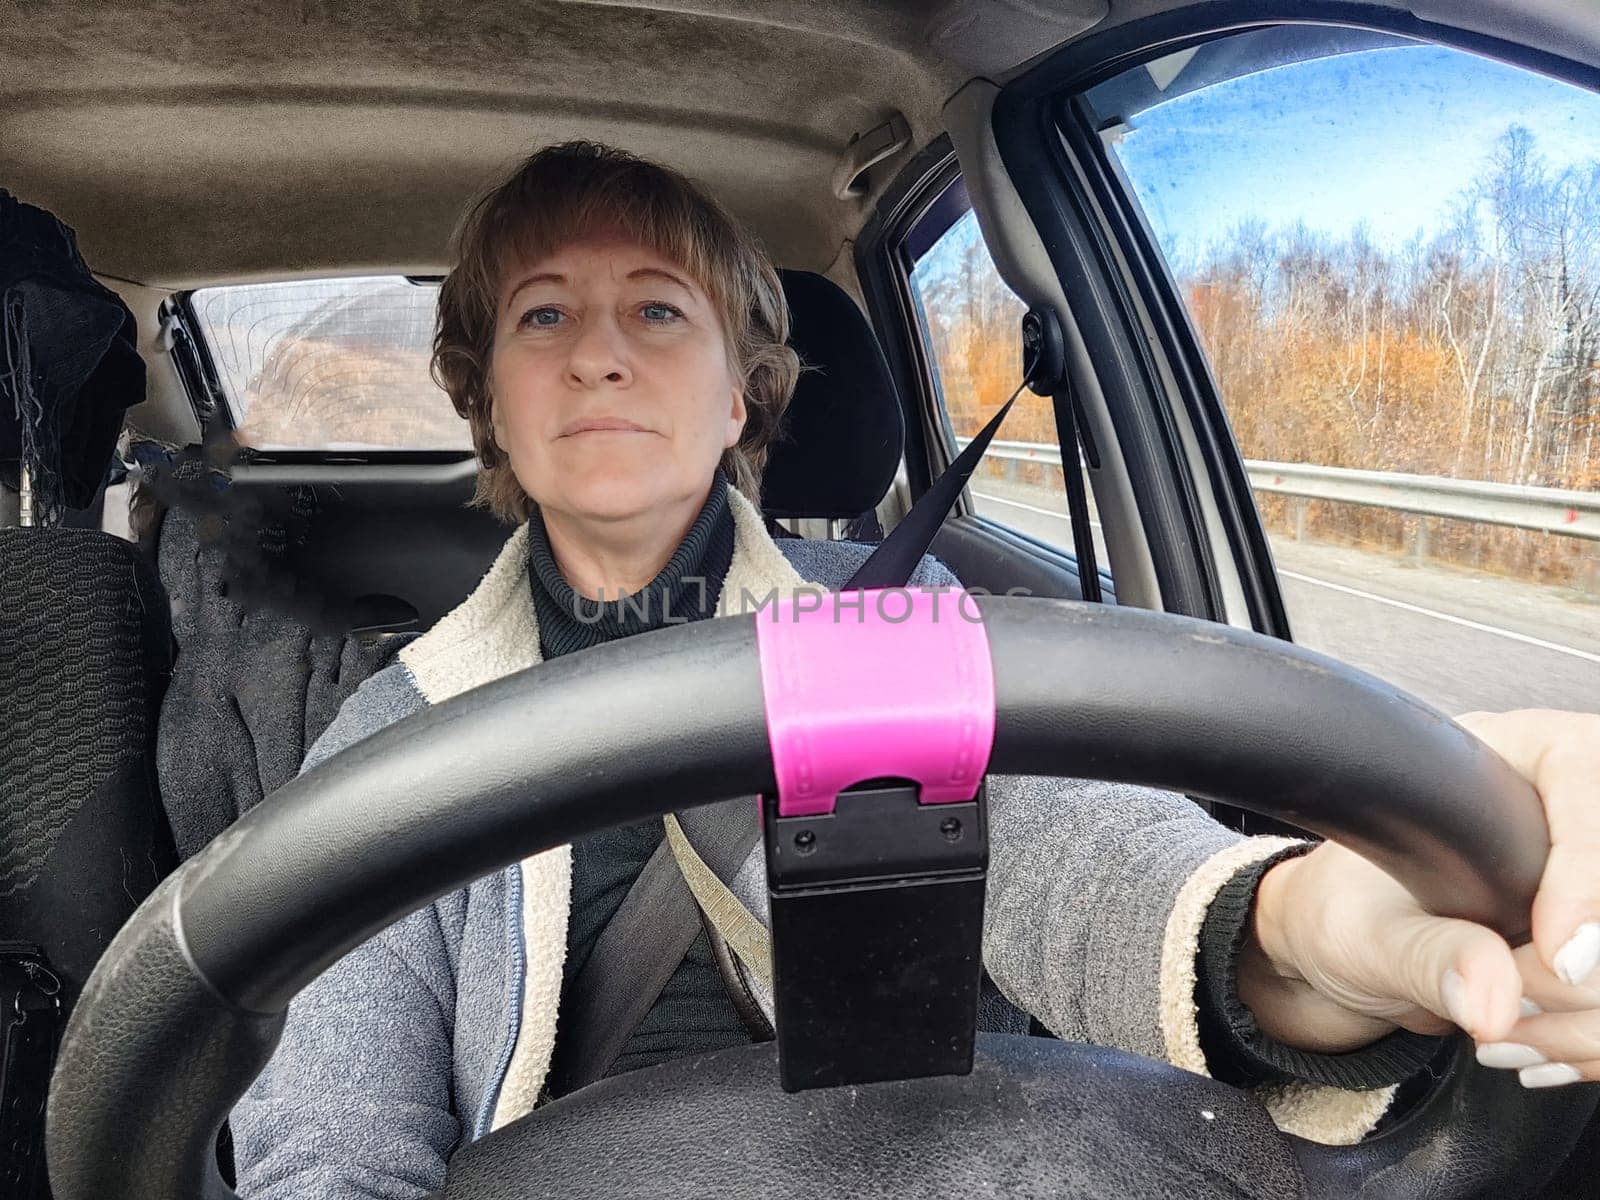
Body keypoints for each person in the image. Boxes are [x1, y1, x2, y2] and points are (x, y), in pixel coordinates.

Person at [232, 141, 1600, 1197]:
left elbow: (1058, 853)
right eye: (542, 318)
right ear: (492, 401)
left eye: (658, 312)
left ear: (740, 393)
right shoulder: (398, 725)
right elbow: (328, 1130)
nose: (596, 355)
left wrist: (1290, 935)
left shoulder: (894, 613)